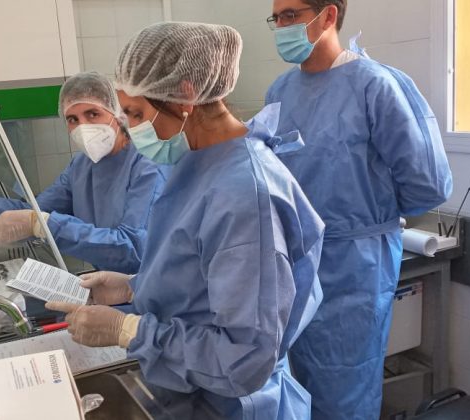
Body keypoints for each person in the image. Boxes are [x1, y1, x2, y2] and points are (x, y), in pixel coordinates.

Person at [46, 22, 326, 419]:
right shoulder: (197, 164)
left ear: (185, 96)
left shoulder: (245, 195)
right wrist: (130, 288)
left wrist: (127, 330)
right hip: (194, 393)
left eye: (136, 112)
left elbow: (244, 357)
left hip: (236, 405)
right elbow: (202, 279)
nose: (129, 126)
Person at [265, 1, 453, 418]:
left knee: (345, 387)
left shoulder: (375, 85)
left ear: (328, 15)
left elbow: (427, 184)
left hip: (355, 267)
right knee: (295, 385)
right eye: (276, 18)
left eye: (291, 15)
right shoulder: (279, 92)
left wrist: (368, 214)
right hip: (295, 263)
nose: (281, 26)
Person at [0, 71, 167, 274]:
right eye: (72, 119)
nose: (82, 126)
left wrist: (45, 225)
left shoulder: (148, 165)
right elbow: (31, 214)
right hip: (108, 284)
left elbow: (133, 250)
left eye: (93, 114)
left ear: (117, 114)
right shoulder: (81, 167)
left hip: (150, 291)